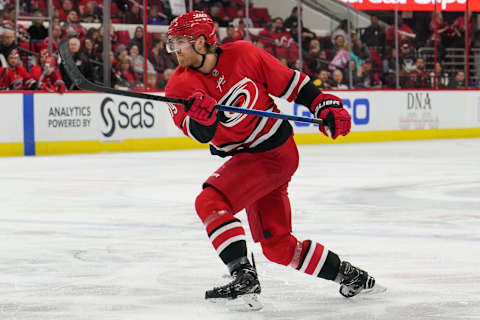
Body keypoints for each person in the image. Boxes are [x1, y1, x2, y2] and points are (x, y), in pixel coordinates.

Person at [164, 11, 376, 307]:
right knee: (278, 247)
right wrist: (204, 119)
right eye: (171, 43)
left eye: (180, 43)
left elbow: (293, 85)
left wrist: (324, 104)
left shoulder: (244, 54)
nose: (174, 50)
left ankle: (243, 276)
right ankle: (351, 276)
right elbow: (200, 134)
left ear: (201, 42)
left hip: (275, 152)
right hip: (252, 160)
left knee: (210, 202)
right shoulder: (178, 87)